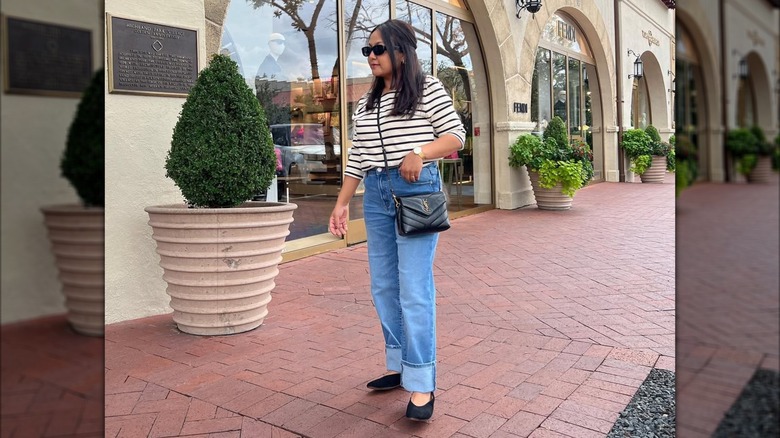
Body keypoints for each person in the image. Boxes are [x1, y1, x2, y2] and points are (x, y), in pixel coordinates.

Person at [328, 19, 465, 422]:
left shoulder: (428, 89)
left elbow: (455, 135)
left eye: (378, 50)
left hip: (415, 190)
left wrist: (419, 151)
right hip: (376, 194)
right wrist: (340, 205)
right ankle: (399, 363)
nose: (371, 57)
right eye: (367, 51)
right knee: (384, 285)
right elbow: (356, 159)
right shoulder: (365, 103)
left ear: (401, 52)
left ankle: (422, 382)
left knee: (414, 288)